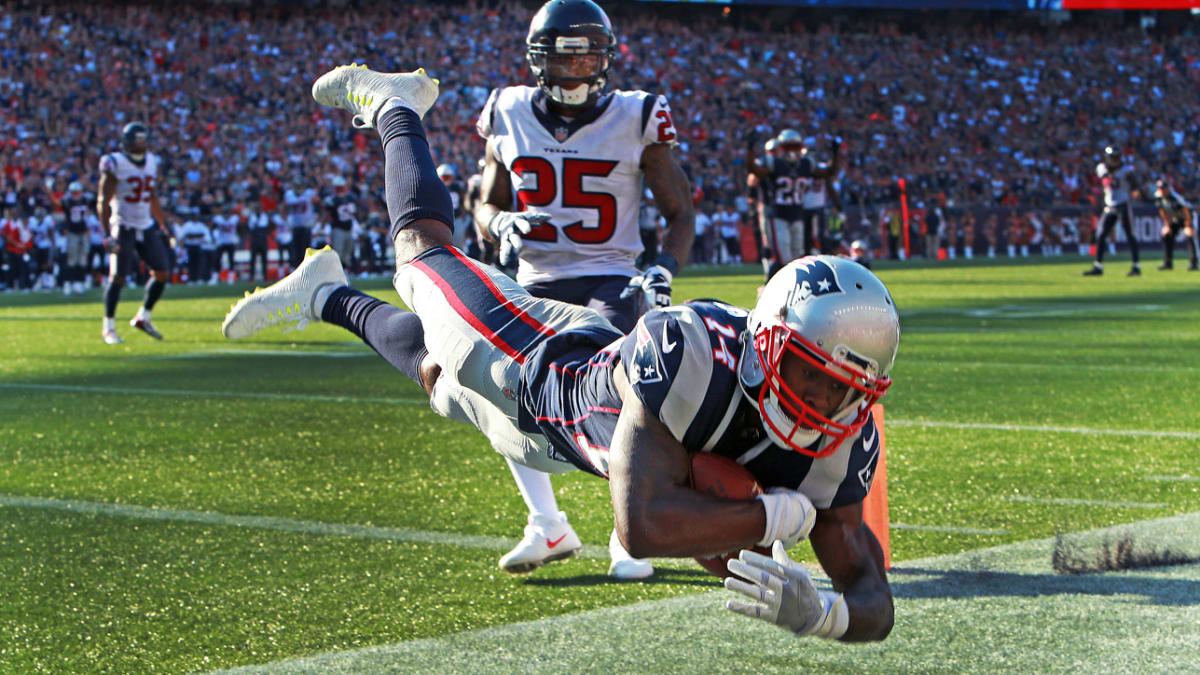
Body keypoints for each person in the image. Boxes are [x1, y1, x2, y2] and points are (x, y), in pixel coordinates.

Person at [223, 63, 899, 642]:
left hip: (559, 442)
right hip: (539, 359)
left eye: (842, 390)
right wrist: (767, 515)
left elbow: (873, 594)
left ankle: (325, 294)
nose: (820, 403)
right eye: (808, 375)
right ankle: (398, 106)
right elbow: (641, 525)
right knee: (420, 255)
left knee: (436, 375)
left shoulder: (841, 440)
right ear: (764, 344)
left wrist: (826, 617)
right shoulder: (690, 348)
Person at [470, 0, 695, 579]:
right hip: (534, 278)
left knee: (615, 391)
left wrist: (665, 266)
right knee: (501, 389)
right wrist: (498, 224)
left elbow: (680, 210)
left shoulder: (637, 114)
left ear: (606, 58)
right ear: (537, 60)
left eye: (587, 57)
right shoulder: (508, 108)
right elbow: (485, 200)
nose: (575, 71)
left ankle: (629, 530)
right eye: (562, 59)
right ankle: (547, 525)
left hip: (609, 272)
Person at [97, 122, 174, 344]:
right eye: (137, 139)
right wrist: (107, 232)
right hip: (123, 224)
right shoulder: (115, 162)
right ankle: (108, 327)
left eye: (143, 139)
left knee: (162, 273)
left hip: (145, 223)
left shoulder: (151, 161)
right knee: (118, 277)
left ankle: (143, 316)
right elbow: (103, 201)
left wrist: (163, 225)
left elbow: (152, 196)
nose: (141, 143)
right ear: (128, 141)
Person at [747, 130, 840, 271]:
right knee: (783, 258)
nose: (791, 151)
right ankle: (771, 284)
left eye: (794, 147)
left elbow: (828, 172)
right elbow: (754, 170)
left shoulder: (806, 164)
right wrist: (750, 150)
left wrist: (835, 154)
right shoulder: (774, 163)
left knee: (798, 259)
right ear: (781, 148)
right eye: (788, 147)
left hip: (797, 215)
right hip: (778, 215)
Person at [1084, 146, 1141, 277]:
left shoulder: (1126, 170)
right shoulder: (1102, 168)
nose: (1113, 160)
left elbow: (1134, 185)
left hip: (1123, 205)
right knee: (1101, 234)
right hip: (1109, 205)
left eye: (1115, 158)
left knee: (1130, 234)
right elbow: (1104, 178)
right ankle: (1098, 266)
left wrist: (1135, 191)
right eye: (1111, 158)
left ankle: (1136, 266)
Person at [1154, 179, 1197, 271]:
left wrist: (1188, 226)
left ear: (1167, 189)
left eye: (1163, 188)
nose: (1162, 191)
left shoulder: (1176, 197)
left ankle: (1194, 263)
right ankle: (1168, 263)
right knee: (1166, 236)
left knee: (1190, 236)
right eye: (1160, 189)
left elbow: (1186, 211)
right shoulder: (1159, 198)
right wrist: (1167, 225)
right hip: (1175, 219)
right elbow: (1162, 212)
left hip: (1187, 218)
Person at [61, 181, 92, 295]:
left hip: (83, 232)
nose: (76, 195)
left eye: (77, 192)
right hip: (73, 232)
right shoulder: (67, 201)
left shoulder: (86, 200)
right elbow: (60, 203)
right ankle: (68, 282)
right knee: (72, 259)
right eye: (73, 193)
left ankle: (79, 282)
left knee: (83, 258)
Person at [325, 176, 358, 270]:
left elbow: (355, 213)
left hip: (349, 229)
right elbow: (327, 214)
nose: (340, 190)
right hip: (338, 229)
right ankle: (337, 274)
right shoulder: (332, 200)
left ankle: (346, 273)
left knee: (348, 254)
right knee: (338, 254)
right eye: (338, 188)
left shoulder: (350, 198)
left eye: (341, 187)